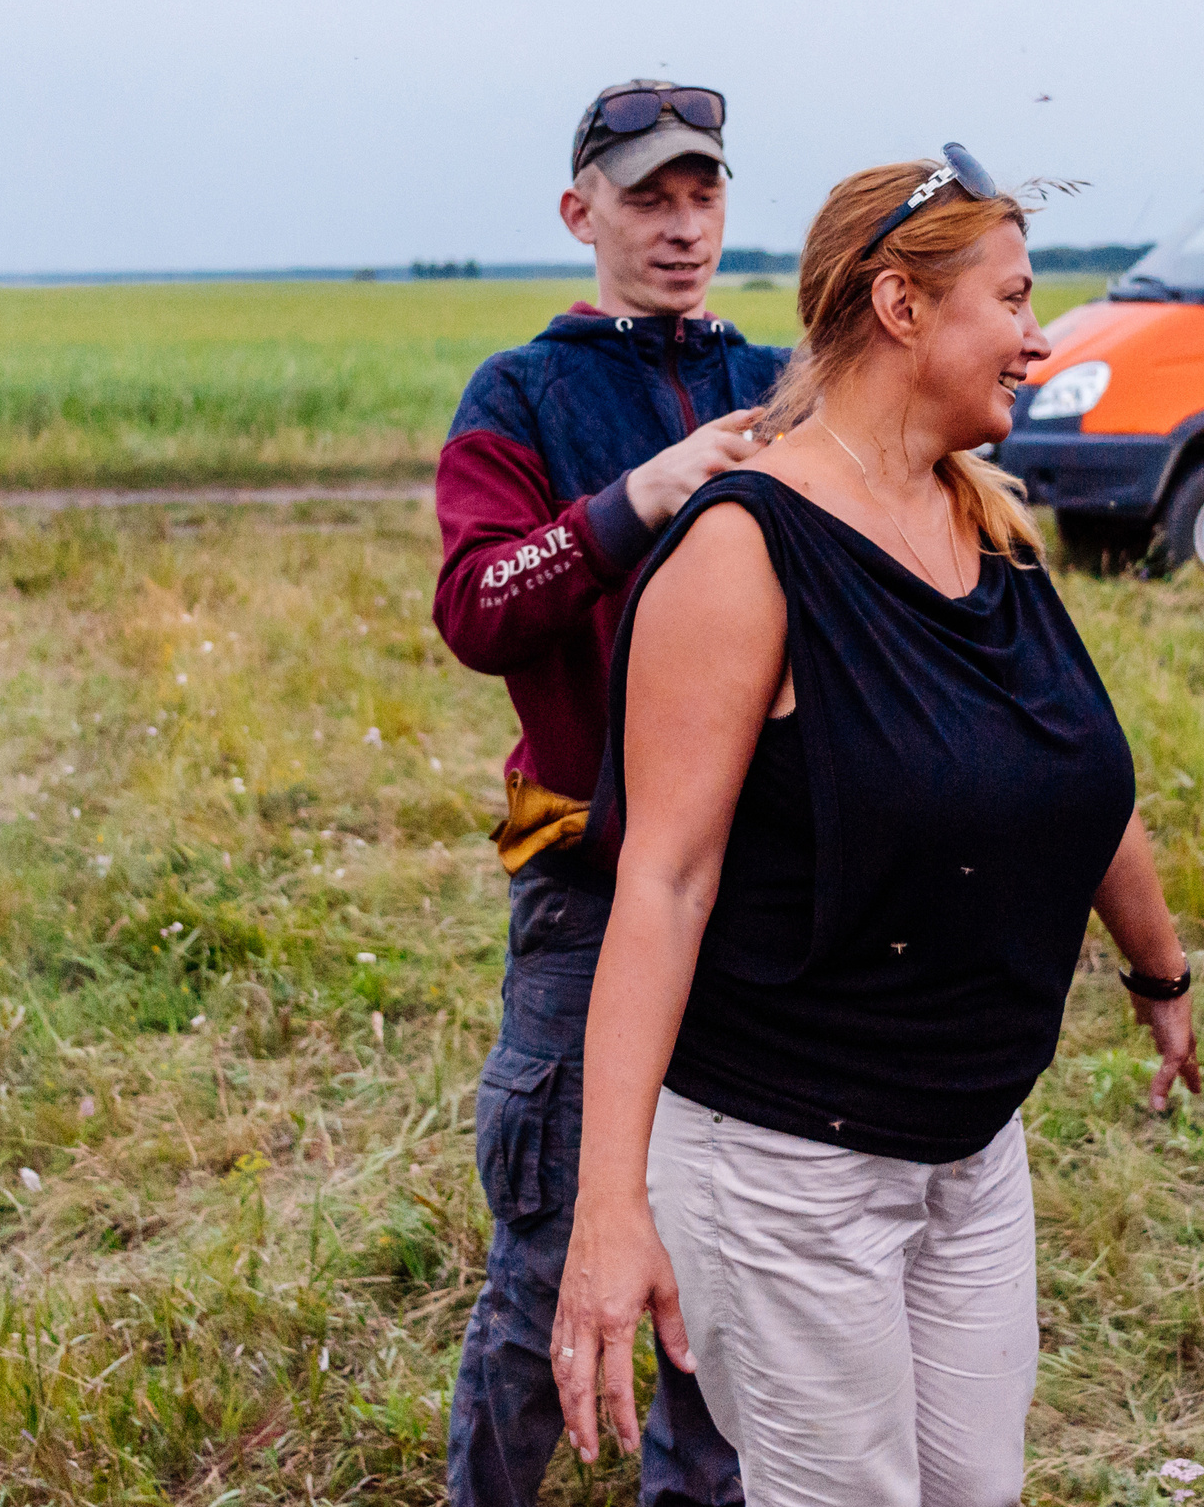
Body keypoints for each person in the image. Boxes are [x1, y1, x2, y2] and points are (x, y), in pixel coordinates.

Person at [546, 148, 1203, 1507]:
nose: (1038, 341)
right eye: (1013, 301)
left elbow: (1085, 779)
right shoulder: (743, 552)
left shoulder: (988, 525)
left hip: (970, 1141)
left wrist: (1160, 971)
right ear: (902, 307)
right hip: (787, 1162)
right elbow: (659, 884)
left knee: (974, 1489)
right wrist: (610, 1206)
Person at [435, 80, 792, 1507]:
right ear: (580, 213)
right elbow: (476, 607)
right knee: (549, 1264)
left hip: (762, 896)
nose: (681, 223)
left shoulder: (783, 377)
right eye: (647, 196)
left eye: (702, 193)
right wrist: (639, 495)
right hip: (592, 888)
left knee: (729, 1266)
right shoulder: (519, 395)